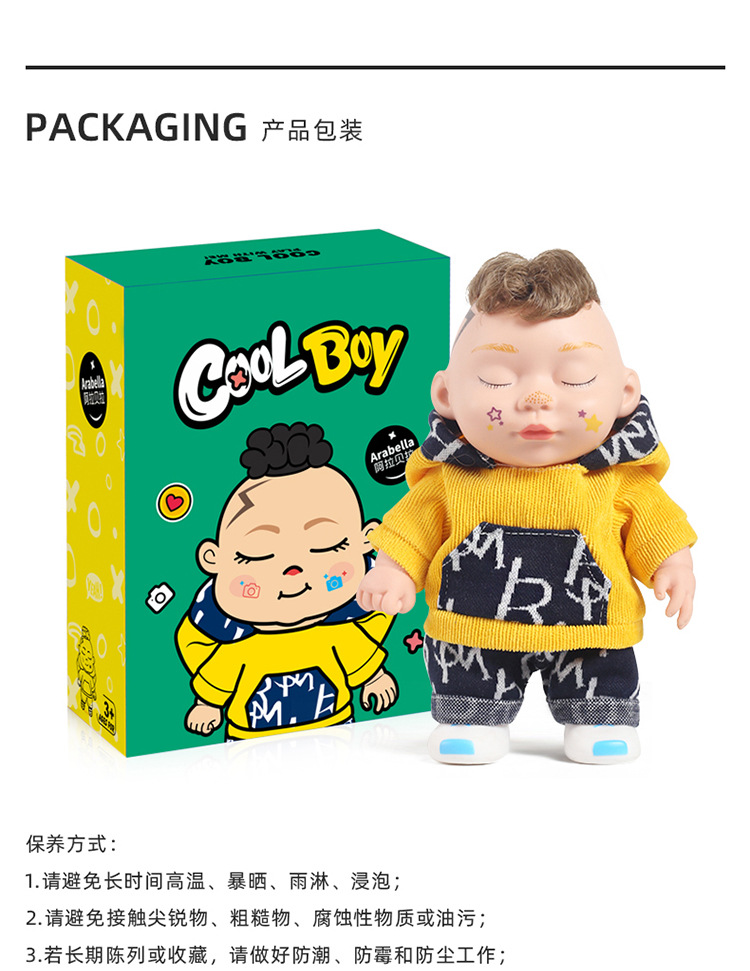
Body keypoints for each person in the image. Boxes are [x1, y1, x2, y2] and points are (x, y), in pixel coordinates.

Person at [357, 249, 696, 765]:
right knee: (464, 672)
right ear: (446, 395)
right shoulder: (451, 477)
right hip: (472, 627)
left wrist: (674, 564)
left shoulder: (617, 479)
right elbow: (411, 529)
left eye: (574, 378)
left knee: (601, 671)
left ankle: (600, 718)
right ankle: (469, 719)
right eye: (497, 378)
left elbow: (656, 524)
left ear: (625, 393)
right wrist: (393, 570)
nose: (537, 398)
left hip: (591, 629)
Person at [177, 422, 398, 741]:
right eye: (258, 553)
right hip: (247, 746)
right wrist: (206, 706)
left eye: (324, 544)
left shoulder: (338, 635)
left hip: (336, 736)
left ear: (367, 541)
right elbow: (216, 683)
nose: (293, 569)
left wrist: (375, 680)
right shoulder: (238, 649)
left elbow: (361, 661)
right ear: (214, 560)